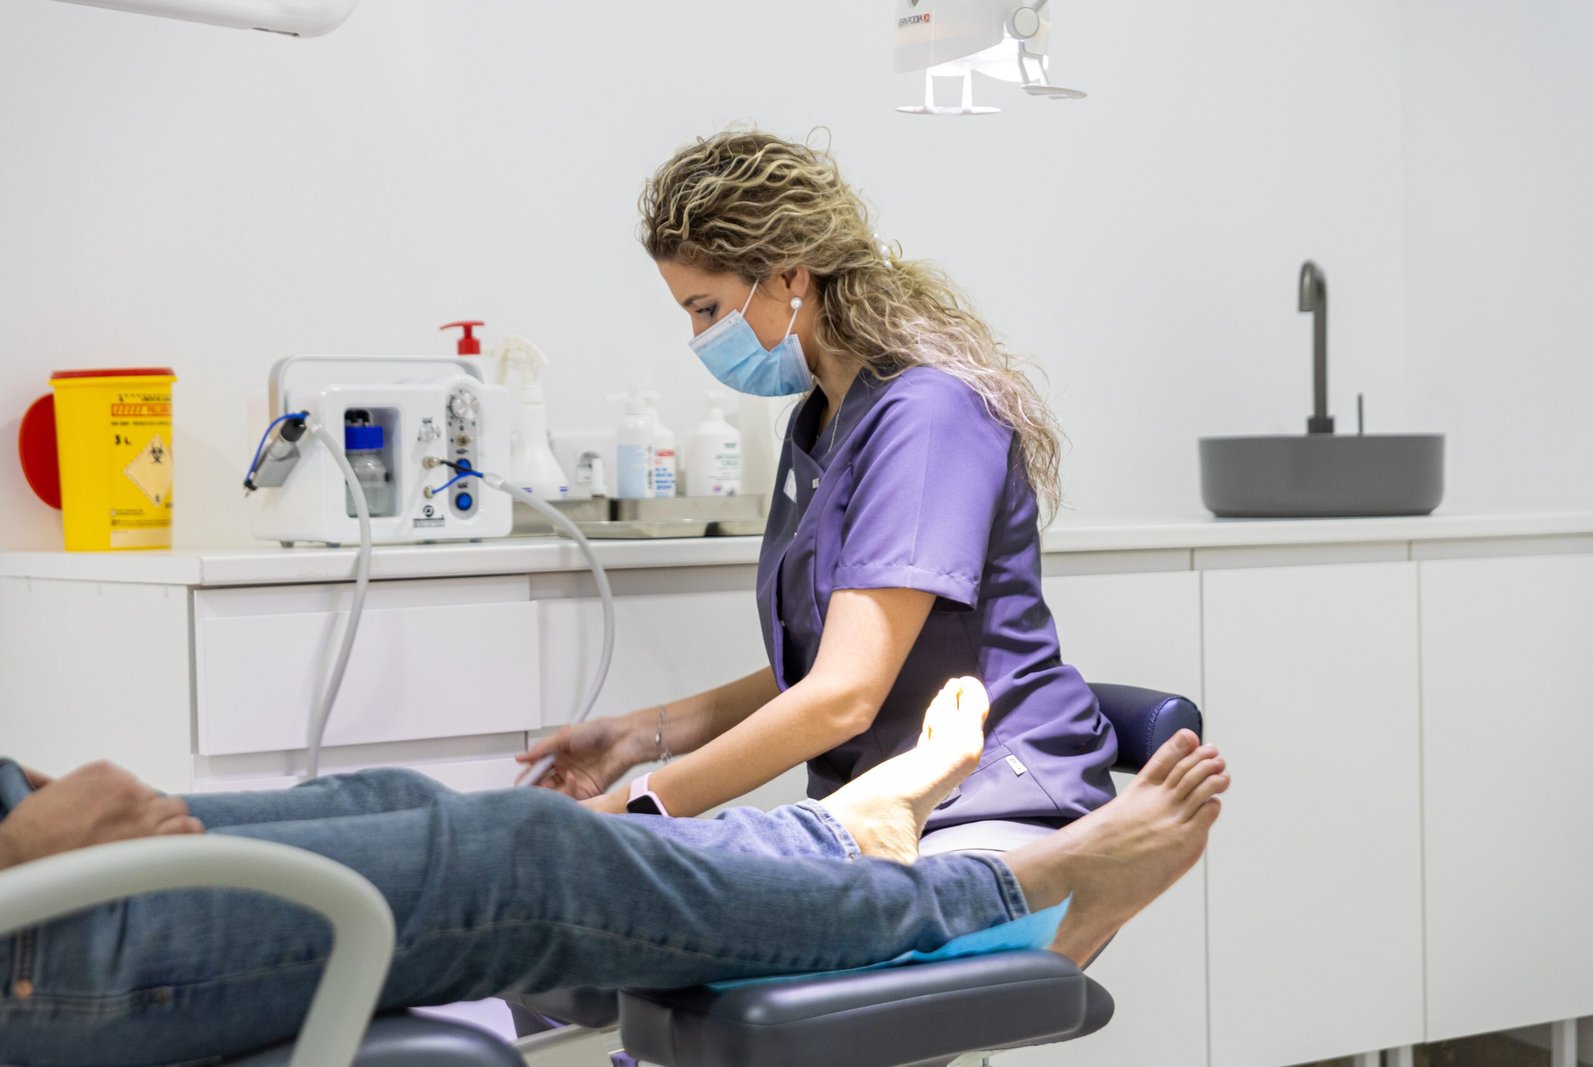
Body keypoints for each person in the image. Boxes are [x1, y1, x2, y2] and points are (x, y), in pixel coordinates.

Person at [0, 681, 1231, 1066]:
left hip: (37, 878)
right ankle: (1018, 884)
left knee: (399, 804)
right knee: (515, 857)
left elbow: (835, 675)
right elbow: (846, 680)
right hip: (31, 940)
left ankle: (839, 837)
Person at [519, 129, 1115, 857]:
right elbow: (819, 669)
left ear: (791, 277)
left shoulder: (927, 416)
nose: (701, 338)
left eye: (708, 310)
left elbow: (844, 693)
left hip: (995, 799)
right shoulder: (823, 420)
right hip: (880, 804)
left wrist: (635, 810)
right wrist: (639, 737)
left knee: (647, 898)